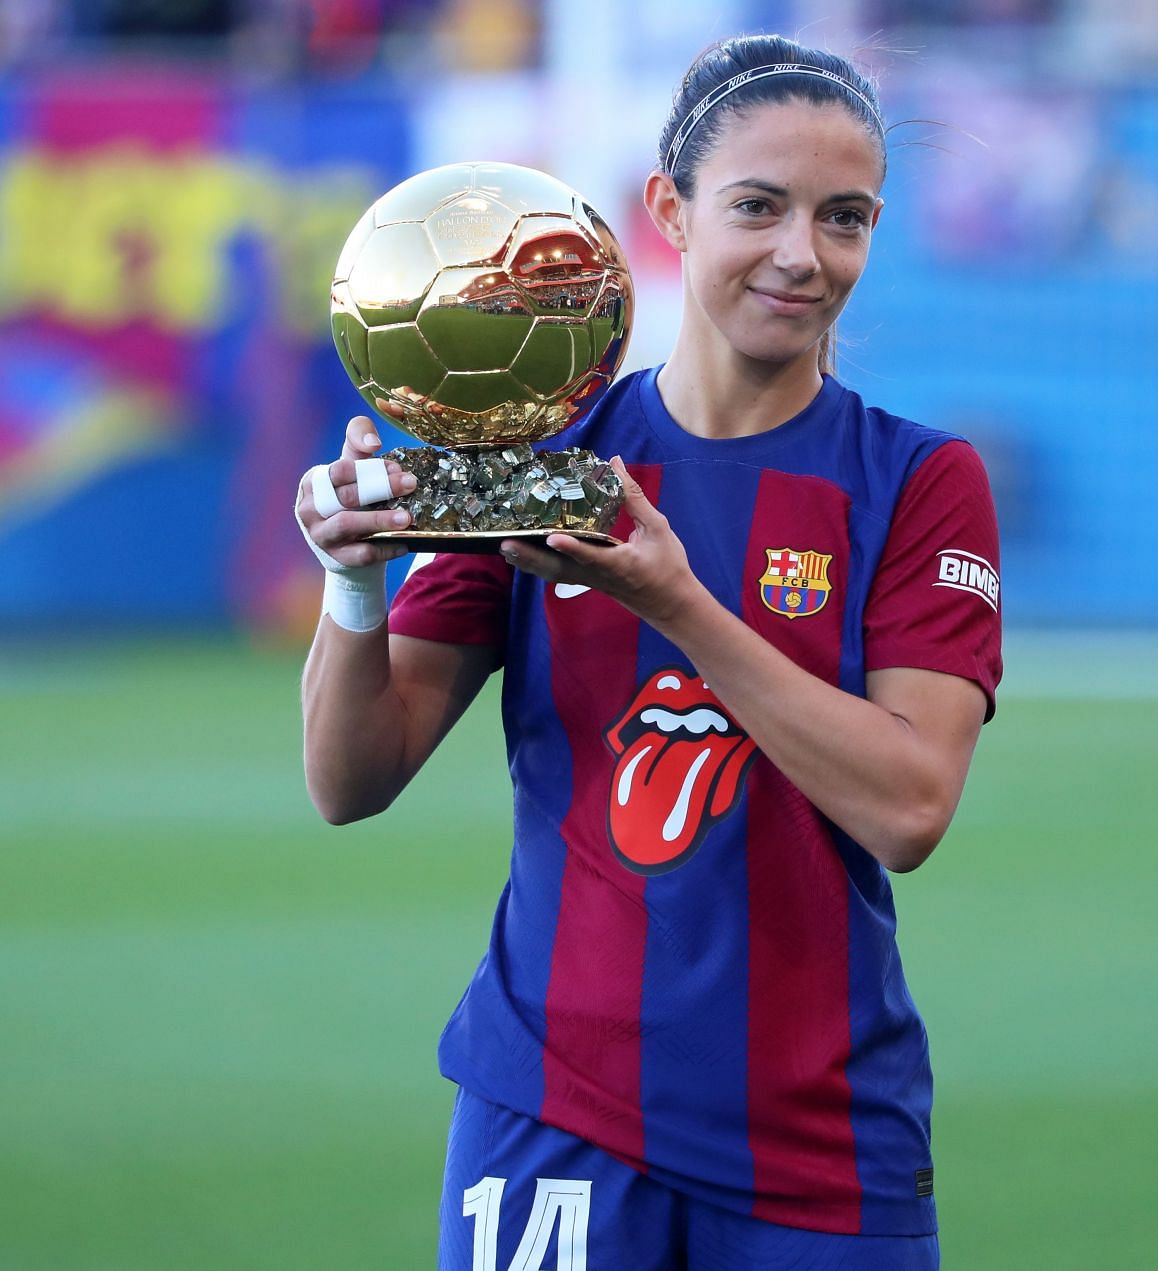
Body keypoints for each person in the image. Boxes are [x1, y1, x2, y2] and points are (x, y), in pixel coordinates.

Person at [295, 33, 1002, 1271]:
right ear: (669, 211)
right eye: (759, 207)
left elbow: (909, 804)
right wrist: (354, 581)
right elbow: (351, 779)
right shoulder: (542, 455)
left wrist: (677, 602)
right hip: (556, 1110)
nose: (803, 253)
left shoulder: (918, 481)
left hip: (824, 1139)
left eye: (845, 218)